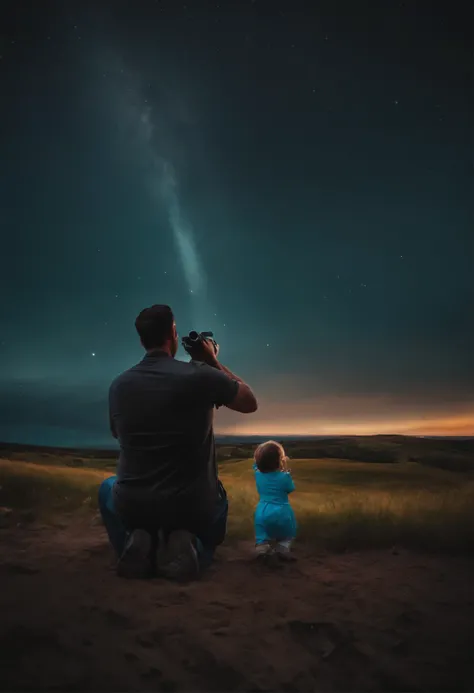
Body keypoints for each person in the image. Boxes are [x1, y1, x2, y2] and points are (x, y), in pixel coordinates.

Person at [98, 304, 257, 581]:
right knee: (218, 499)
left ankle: (138, 542)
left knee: (107, 488)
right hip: (190, 505)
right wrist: (211, 361)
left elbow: (117, 433)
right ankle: (191, 545)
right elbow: (248, 402)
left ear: (141, 340)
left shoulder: (118, 385)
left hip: (135, 504)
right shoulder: (200, 374)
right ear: (173, 332)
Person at [253, 440, 297, 563]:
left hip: (262, 511)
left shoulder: (258, 474)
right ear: (280, 460)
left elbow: (255, 466)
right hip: (282, 512)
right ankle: (282, 548)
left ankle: (262, 550)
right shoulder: (284, 477)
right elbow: (290, 489)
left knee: (262, 536)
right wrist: (286, 474)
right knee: (287, 535)